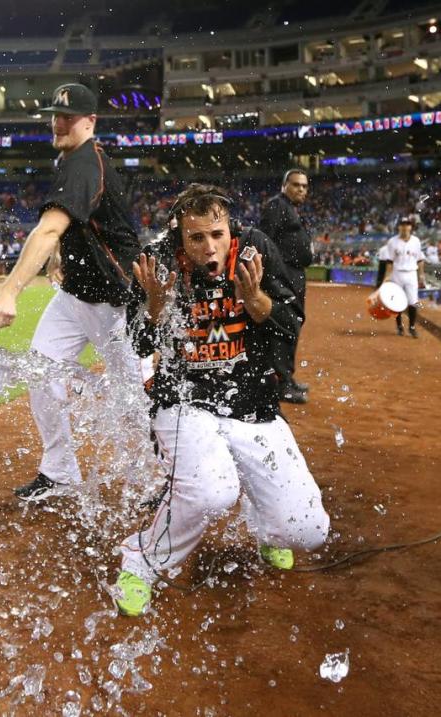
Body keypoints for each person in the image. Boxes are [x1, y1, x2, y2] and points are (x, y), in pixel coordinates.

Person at [112, 184, 330, 616]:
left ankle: (269, 528)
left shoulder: (256, 251)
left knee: (307, 532)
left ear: (230, 227)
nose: (209, 247)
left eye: (217, 234)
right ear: (180, 234)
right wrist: (154, 309)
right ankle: (140, 563)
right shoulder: (155, 260)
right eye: (197, 238)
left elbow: (291, 322)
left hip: (253, 403)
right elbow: (138, 344)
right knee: (213, 492)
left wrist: (257, 302)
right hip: (184, 401)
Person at [0, 82, 143, 502]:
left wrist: (9, 292)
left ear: (90, 122)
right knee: (41, 374)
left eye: (68, 117)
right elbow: (70, 226)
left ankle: (163, 476)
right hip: (74, 297)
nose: (58, 122)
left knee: (136, 398)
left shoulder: (85, 164)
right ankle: (59, 472)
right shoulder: (72, 159)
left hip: (116, 303)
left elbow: (50, 225)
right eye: (55, 115)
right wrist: (59, 252)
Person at [259, 169, 311, 404]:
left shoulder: (289, 208)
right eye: (296, 185)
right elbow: (265, 242)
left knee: (293, 326)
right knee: (284, 328)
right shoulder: (276, 206)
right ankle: (280, 383)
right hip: (283, 277)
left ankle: (287, 378)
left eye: (304, 186)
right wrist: (274, 278)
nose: (301, 189)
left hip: (294, 275)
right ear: (284, 185)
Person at [385, 217, 427, 338]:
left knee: (413, 301)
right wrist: (387, 276)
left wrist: (421, 275)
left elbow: (420, 259)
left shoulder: (416, 241)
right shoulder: (392, 242)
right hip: (397, 273)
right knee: (397, 301)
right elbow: (389, 261)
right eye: (403, 224)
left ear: (411, 227)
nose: (405, 226)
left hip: (411, 273)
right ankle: (399, 327)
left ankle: (412, 327)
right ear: (399, 227)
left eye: (407, 224)